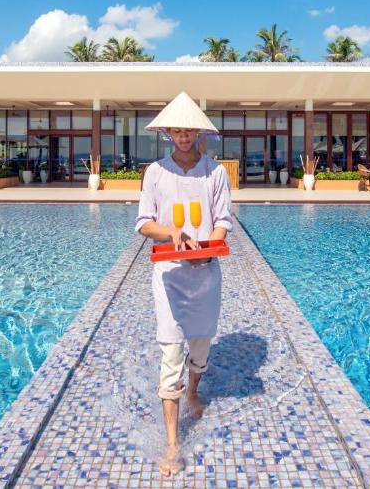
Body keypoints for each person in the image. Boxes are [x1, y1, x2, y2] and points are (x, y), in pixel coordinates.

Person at [134, 91, 232, 477]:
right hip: (170, 275)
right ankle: (173, 443)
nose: (183, 136)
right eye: (176, 130)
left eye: (189, 130)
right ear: (168, 133)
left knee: (201, 349)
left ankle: (194, 389)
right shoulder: (155, 173)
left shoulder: (215, 172)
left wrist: (209, 248)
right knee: (171, 354)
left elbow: (222, 220)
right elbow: (144, 223)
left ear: (198, 132)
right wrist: (171, 233)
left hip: (205, 273)